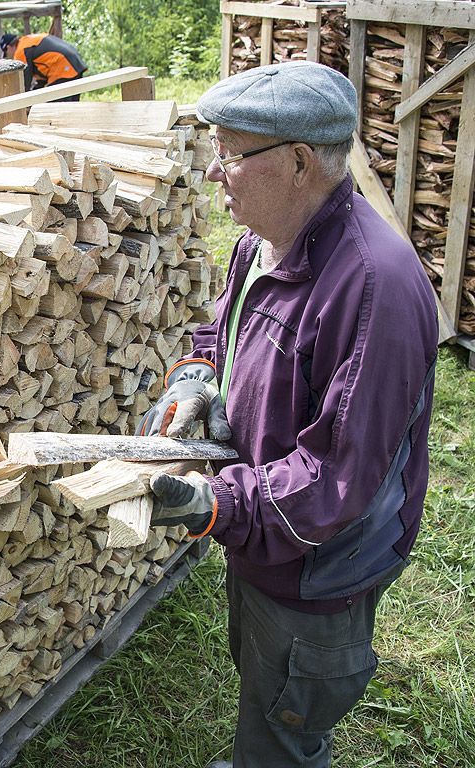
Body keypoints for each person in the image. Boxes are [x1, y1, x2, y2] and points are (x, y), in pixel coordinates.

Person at [139, 61, 439, 768]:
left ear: (300, 162)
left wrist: (214, 505)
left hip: (319, 564)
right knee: (263, 679)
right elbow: (224, 330)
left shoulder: (374, 289)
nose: (215, 173)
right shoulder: (264, 239)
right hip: (266, 539)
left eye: (230, 155)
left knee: (290, 710)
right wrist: (195, 380)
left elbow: (335, 480)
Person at [0, 33, 87, 100]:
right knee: (72, 106)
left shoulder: (20, 51)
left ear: (9, 48)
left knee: (56, 107)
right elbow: (43, 68)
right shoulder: (28, 40)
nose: (10, 56)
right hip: (75, 62)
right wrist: (35, 90)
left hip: (62, 66)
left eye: (7, 54)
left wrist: (22, 101)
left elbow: (25, 79)